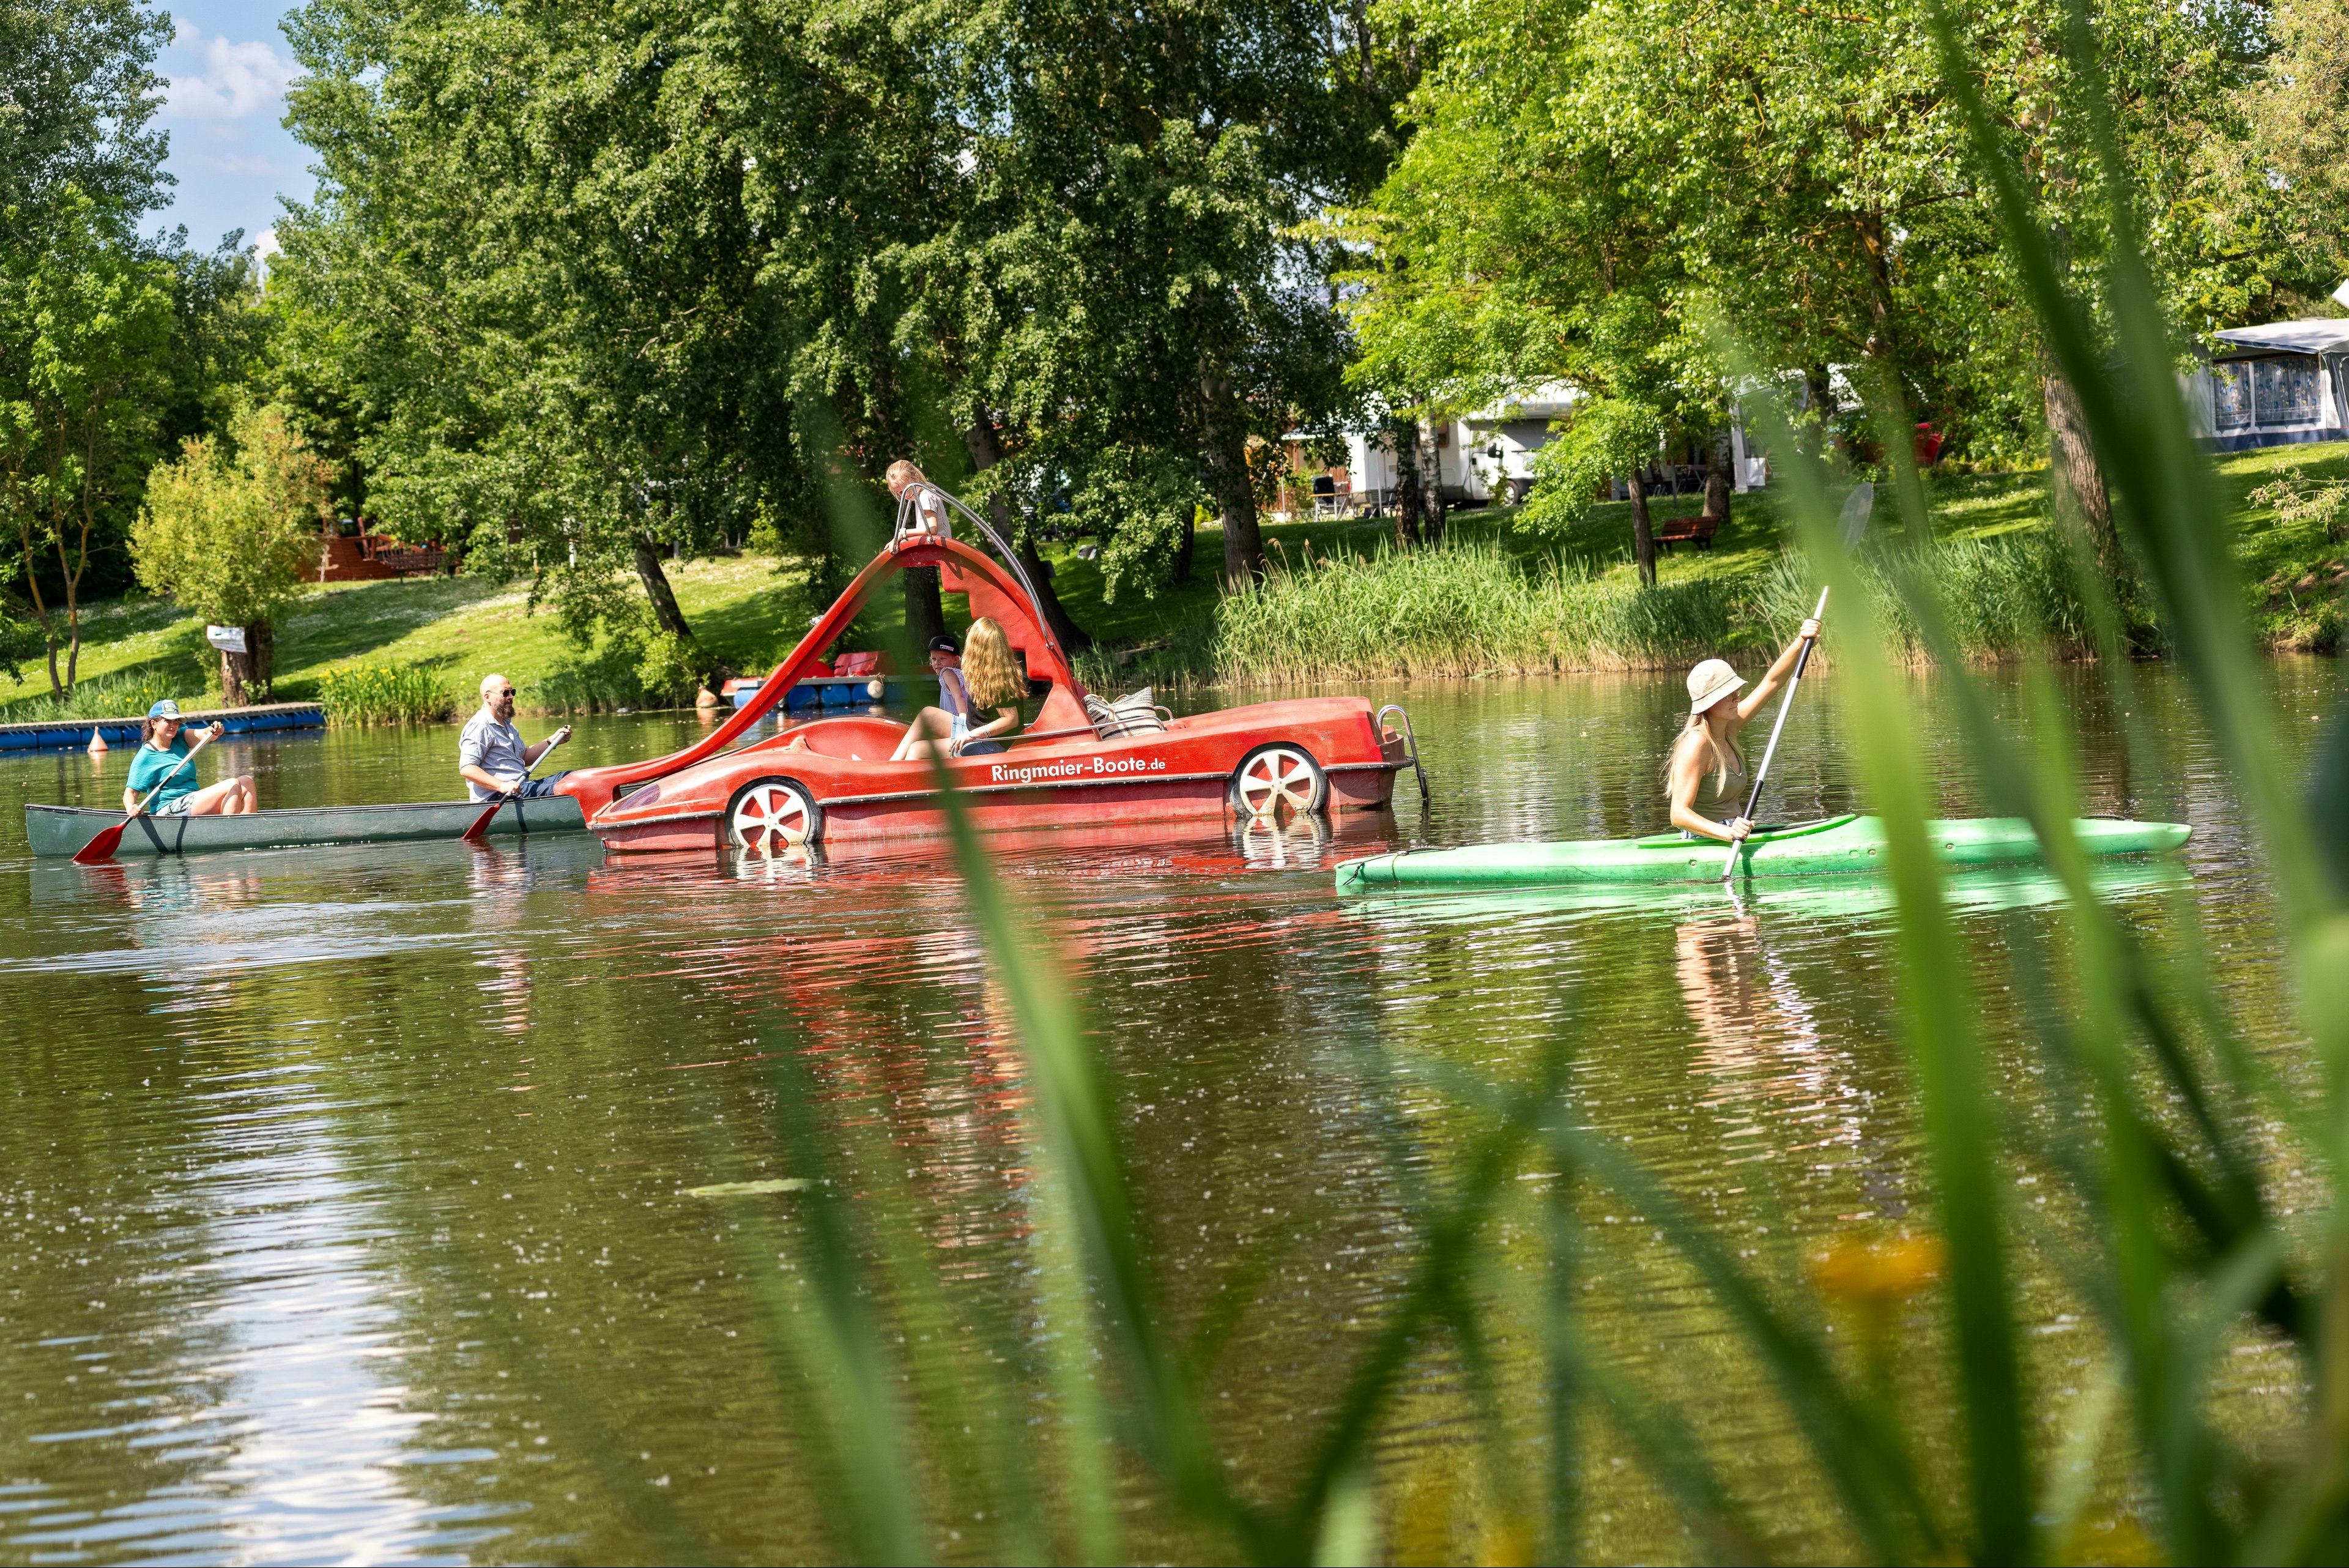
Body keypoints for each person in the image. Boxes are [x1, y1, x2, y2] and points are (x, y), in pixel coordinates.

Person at [1666, 614, 1822, 844]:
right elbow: (1678, 814)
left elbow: (1772, 682)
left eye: (1735, 690)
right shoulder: (1697, 742)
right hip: (1707, 840)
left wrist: (1801, 642)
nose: (1736, 696)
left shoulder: (1729, 728)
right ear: (1709, 702)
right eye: (1727, 693)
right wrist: (1727, 832)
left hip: (1735, 833)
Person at [890, 619, 1025, 761]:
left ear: (979, 648)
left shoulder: (1000, 678)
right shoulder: (986, 671)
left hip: (991, 744)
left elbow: (1011, 720)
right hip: (973, 729)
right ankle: (891, 764)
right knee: (928, 714)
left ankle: (900, 779)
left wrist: (972, 736)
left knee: (917, 750)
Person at [123, 700, 257, 818]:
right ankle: (229, 831)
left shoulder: (180, 737)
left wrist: (214, 730)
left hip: (192, 801)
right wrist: (131, 807)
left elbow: (206, 734)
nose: (173, 725)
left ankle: (249, 829)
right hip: (168, 809)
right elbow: (130, 793)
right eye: (168, 721)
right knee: (232, 784)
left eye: (176, 721)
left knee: (247, 781)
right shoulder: (145, 756)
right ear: (154, 723)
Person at [459, 674, 573, 801]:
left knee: (573, 777)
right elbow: (467, 768)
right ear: (488, 697)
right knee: (570, 788)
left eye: (512, 692)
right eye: (505, 693)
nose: (511, 696)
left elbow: (523, 757)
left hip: (522, 788)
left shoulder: (507, 723)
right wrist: (501, 786)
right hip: (498, 796)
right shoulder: (479, 725)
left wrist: (551, 741)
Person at [886, 459, 954, 540]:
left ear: (917, 478)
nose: (906, 494)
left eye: (907, 488)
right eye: (901, 492)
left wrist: (904, 533)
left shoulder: (926, 496)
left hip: (938, 548)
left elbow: (932, 529)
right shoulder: (922, 496)